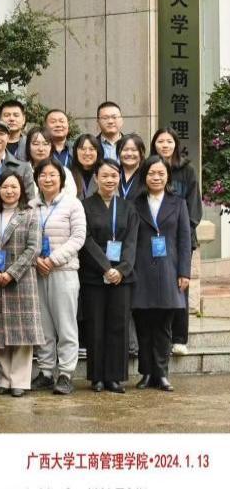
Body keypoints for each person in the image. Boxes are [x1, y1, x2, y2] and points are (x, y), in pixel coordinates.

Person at [132, 155, 192, 392]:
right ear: (144, 176)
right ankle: (147, 373)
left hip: (169, 271)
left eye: (161, 173)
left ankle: (162, 373)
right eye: (151, 173)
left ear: (167, 176)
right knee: (143, 325)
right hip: (141, 270)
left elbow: (184, 240)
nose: (156, 177)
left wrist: (184, 272)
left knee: (164, 326)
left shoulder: (178, 203)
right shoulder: (135, 203)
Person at [79, 161, 139, 394]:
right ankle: (96, 377)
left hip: (121, 278)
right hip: (94, 275)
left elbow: (132, 242)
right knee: (95, 325)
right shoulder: (84, 206)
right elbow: (86, 239)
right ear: (96, 178)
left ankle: (114, 377)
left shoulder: (128, 207)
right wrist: (105, 267)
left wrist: (121, 270)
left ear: (119, 178)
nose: (110, 180)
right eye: (105, 176)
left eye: (114, 176)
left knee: (118, 325)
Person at [0, 170, 45, 397]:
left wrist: (11, 273)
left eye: (14, 187)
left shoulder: (30, 215)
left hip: (21, 280)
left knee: (22, 333)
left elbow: (33, 249)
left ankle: (19, 381)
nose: (9, 191)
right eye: (5, 187)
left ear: (21, 190)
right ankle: (5, 379)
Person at [30, 159, 88, 394]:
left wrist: (53, 259)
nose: (48, 179)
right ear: (37, 179)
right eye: (43, 175)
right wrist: (36, 260)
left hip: (63, 271)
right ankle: (45, 372)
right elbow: (25, 237)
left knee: (65, 324)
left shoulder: (73, 204)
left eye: (53, 174)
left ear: (62, 179)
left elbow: (78, 238)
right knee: (43, 325)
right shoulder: (31, 206)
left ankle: (65, 373)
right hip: (37, 272)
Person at [151, 128, 201, 355]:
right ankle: (160, 336)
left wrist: (181, 233)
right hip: (153, 239)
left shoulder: (187, 170)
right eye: (160, 141)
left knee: (180, 286)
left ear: (176, 144)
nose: (165, 145)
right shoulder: (149, 170)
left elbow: (194, 208)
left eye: (169, 141)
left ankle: (179, 338)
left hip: (180, 239)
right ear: (154, 145)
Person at [25, 127, 78, 202]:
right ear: (28, 146)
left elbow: (71, 199)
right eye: (36, 144)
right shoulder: (21, 171)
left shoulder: (64, 172)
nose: (41, 149)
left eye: (45, 144)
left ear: (51, 147)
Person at [69, 133, 103, 199]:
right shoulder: (68, 175)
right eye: (83, 149)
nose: (87, 153)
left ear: (98, 152)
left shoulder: (104, 174)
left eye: (91, 149)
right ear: (76, 152)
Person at [117, 134, 148, 202]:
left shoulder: (147, 174)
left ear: (141, 153)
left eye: (134, 150)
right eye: (125, 150)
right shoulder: (114, 173)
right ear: (119, 152)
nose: (129, 154)